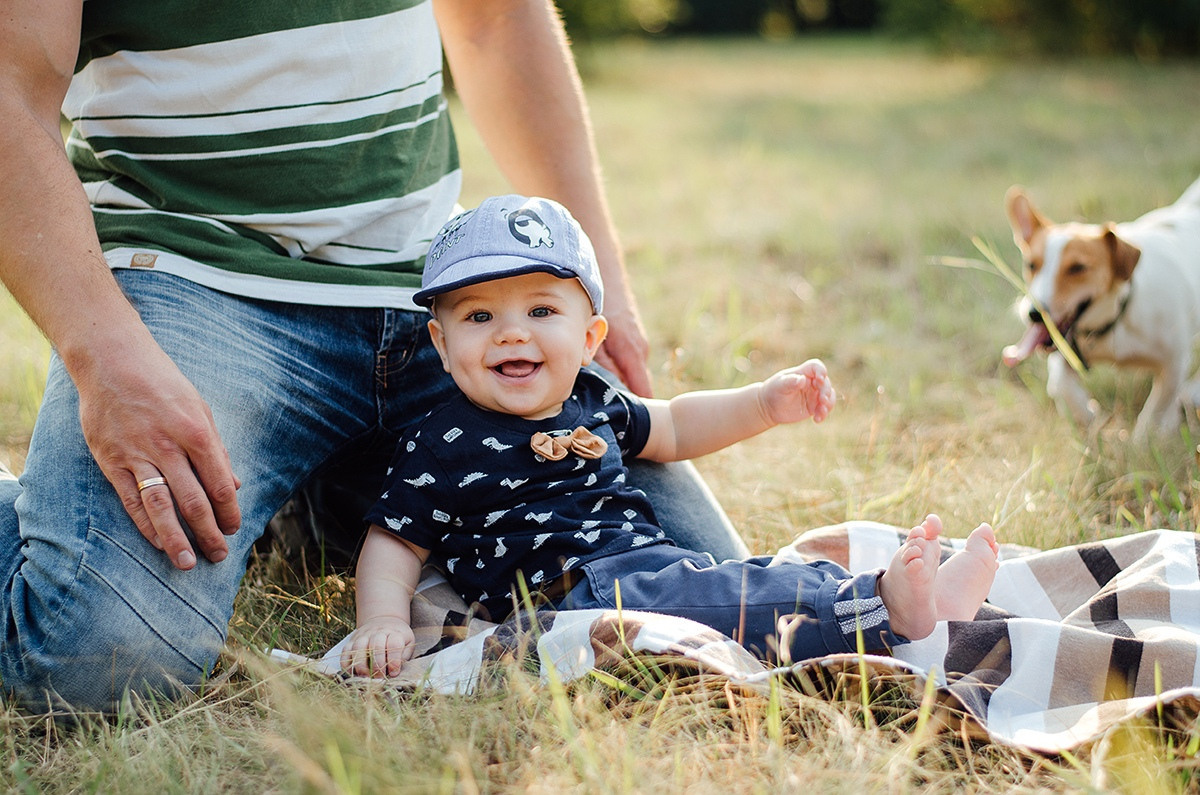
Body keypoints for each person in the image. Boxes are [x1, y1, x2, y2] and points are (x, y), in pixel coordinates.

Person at [0, 1, 747, 713]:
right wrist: (105, 353)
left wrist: (596, 283)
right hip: (196, 276)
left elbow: (497, 18)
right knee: (99, 657)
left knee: (706, 606)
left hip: (437, 295)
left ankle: (311, 493)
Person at [340, 195, 1000, 677]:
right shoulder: (441, 439)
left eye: (542, 309)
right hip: (579, 596)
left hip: (642, 569)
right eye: (480, 315)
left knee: (745, 587)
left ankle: (907, 603)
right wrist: (382, 619)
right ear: (442, 341)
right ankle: (886, 607)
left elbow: (677, 423)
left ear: (591, 337)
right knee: (743, 602)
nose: (512, 331)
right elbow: (393, 539)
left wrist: (766, 403)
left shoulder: (592, 397)